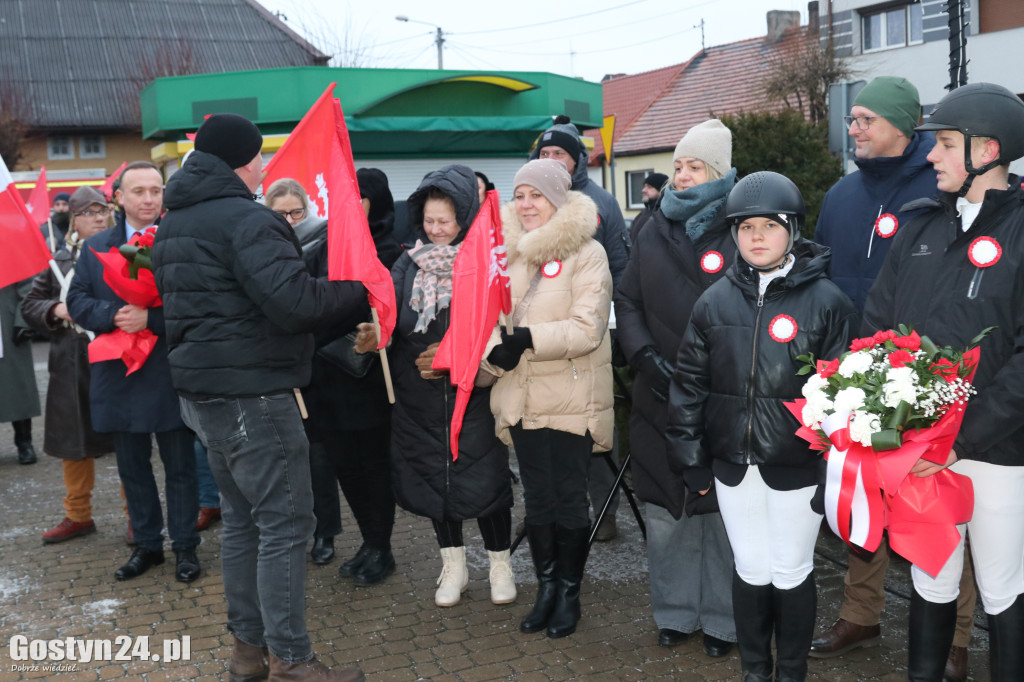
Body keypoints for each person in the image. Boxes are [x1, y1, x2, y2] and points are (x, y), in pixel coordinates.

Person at [153, 113, 365, 682]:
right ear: (241, 160)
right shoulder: (248, 219)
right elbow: (294, 303)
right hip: (255, 396)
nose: (266, 166)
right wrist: (359, 290)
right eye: (259, 157)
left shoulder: (177, 219)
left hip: (206, 395)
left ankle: (249, 652)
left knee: (245, 524)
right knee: (287, 525)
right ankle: (291, 660)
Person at [810, 76, 977, 682]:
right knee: (864, 497)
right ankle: (862, 612)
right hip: (856, 372)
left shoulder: (937, 183)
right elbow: (824, 275)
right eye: (851, 119)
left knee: (932, 504)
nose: (852, 130)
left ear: (903, 126)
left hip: (923, 373)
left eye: (864, 120)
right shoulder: (841, 195)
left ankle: (955, 635)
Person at [861, 82, 1024, 682]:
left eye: (946, 145)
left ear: (989, 150)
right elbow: (876, 330)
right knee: (931, 578)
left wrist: (961, 439)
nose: (931, 157)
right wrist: (898, 430)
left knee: (1004, 586)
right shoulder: (919, 228)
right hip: (920, 452)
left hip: (997, 452)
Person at [669, 172, 857, 682]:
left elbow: (847, 396)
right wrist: (690, 457)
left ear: (792, 230)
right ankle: (756, 670)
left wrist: (830, 466)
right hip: (733, 465)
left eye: (768, 226)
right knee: (751, 567)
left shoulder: (828, 302)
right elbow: (689, 385)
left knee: (792, 568)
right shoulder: (713, 303)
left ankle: (790, 671)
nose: (755, 236)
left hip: (796, 465)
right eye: (745, 227)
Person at [355, 164, 516, 608]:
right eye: (429, 220)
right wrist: (378, 335)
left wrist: (453, 353)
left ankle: (500, 565)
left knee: (486, 480)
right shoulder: (407, 261)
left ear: (464, 217)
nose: (436, 229)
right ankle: (454, 567)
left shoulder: (484, 260)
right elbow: (393, 316)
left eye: (445, 220)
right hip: (418, 396)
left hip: (472, 393)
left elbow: (497, 322)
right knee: (434, 483)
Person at [614, 119, 739, 655]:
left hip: (723, 397)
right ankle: (674, 612)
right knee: (666, 511)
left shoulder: (743, 224)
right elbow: (627, 298)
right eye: (679, 166)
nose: (682, 176)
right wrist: (643, 355)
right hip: (657, 394)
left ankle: (722, 620)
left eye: (694, 166)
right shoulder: (651, 227)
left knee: (721, 516)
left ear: (719, 173)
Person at [483, 158, 614, 638]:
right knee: (537, 500)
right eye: (520, 195)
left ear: (558, 198)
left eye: (536, 194)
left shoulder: (588, 253)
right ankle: (545, 588)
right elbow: (491, 320)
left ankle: (570, 592)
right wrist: (491, 352)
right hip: (522, 397)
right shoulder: (509, 253)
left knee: (568, 499)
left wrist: (526, 337)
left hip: (573, 396)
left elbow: (587, 327)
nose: (526, 203)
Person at [66, 161, 201, 583]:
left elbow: (199, 304)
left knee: (181, 466)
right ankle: (147, 545)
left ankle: (184, 547)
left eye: (155, 190)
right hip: (119, 374)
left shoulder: (183, 241)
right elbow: (77, 302)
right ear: (119, 199)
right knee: (133, 468)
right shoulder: (95, 248)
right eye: (138, 191)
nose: (148, 199)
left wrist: (152, 321)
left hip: (170, 372)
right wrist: (115, 315)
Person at [529, 115, 628, 541]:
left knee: (590, 425)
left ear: (577, 162)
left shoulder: (602, 203)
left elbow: (623, 270)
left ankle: (604, 508)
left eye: (560, 154)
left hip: (590, 334)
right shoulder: (530, 204)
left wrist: (620, 329)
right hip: (536, 340)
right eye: (544, 153)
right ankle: (544, 508)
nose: (551, 160)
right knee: (541, 429)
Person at [301, 168, 402, 583]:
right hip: (325, 381)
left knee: (374, 467)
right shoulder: (321, 245)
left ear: (376, 202)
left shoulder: (391, 252)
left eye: (359, 198)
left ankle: (382, 546)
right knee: (344, 466)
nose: (350, 206)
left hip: (369, 384)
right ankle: (368, 541)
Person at [22, 186, 115, 542]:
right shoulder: (56, 263)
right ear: (73, 219)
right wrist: (55, 309)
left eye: (101, 211)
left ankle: (135, 514)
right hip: (69, 363)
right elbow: (30, 304)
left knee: (125, 441)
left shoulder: (124, 251)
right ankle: (78, 515)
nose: (97, 218)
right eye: (88, 212)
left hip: (112, 357)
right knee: (74, 443)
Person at [1, 278, 41, 465]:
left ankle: (24, 442)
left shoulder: (9, 251)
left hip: (7, 326)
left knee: (18, 387)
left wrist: (23, 322)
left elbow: (28, 290)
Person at [265, 177, 326, 253]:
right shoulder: (258, 240)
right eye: (281, 214)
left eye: (297, 212)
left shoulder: (326, 238)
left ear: (306, 210)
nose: (289, 220)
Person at [628, 171, 668, 243]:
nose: (643, 190)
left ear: (661, 191)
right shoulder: (642, 213)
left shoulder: (664, 214)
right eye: (644, 186)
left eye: (649, 187)